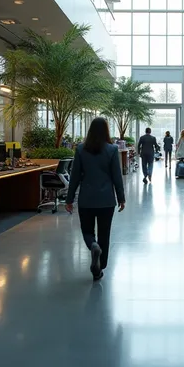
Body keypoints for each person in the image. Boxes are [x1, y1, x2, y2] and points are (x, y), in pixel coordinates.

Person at [66, 117, 125, 281]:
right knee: (104, 233)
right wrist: (121, 197)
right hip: (106, 200)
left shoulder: (80, 149)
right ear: (106, 130)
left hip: (86, 199)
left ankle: (93, 245)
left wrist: (69, 199)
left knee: (87, 231)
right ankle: (100, 268)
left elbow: (75, 176)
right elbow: (116, 176)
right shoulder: (112, 150)